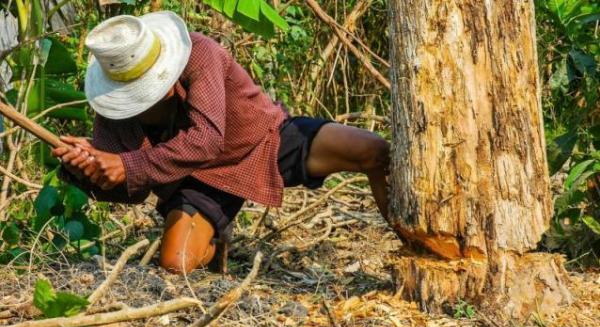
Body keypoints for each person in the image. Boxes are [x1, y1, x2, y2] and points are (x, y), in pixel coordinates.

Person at [53, 11, 390, 274]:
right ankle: (214, 240)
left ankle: (421, 242)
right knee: (175, 263)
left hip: (262, 141)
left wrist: (126, 165)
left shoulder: (200, 53)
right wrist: (88, 170)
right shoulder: (111, 105)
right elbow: (134, 191)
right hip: (196, 179)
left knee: (375, 152)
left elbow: (205, 140)